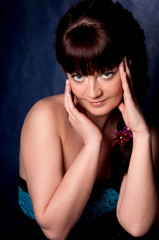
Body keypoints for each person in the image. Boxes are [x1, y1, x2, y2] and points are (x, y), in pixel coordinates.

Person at [17, 0, 159, 239]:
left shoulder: (143, 131)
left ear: (128, 66)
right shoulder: (44, 119)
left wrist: (142, 137)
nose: (93, 93)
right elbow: (55, 231)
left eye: (106, 73)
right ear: (66, 73)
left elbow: (136, 226)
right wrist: (93, 145)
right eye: (78, 76)